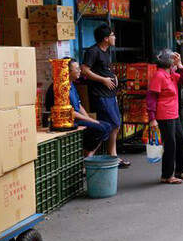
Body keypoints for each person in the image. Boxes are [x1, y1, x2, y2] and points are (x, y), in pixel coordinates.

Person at [81, 24, 129, 168]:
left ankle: (112, 155)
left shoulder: (106, 52)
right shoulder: (93, 51)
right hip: (100, 95)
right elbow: (84, 70)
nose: (115, 38)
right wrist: (103, 80)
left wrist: (113, 76)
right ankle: (91, 157)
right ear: (106, 38)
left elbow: (103, 69)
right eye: (113, 35)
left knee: (115, 124)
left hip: (110, 94)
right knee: (112, 124)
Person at [45, 59, 112, 156]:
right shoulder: (59, 88)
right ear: (68, 72)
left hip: (76, 119)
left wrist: (89, 119)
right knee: (99, 128)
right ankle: (86, 155)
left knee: (107, 126)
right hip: (67, 121)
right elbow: (70, 112)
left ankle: (89, 155)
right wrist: (91, 121)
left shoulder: (71, 84)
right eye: (77, 69)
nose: (80, 71)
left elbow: (78, 105)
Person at [147, 49, 183, 185]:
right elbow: (151, 98)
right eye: (172, 58)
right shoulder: (159, 76)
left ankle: (180, 171)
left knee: (181, 140)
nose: (173, 60)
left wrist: (180, 65)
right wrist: (152, 118)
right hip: (164, 115)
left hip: (174, 114)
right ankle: (166, 175)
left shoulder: (171, 74)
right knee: (170, 144)